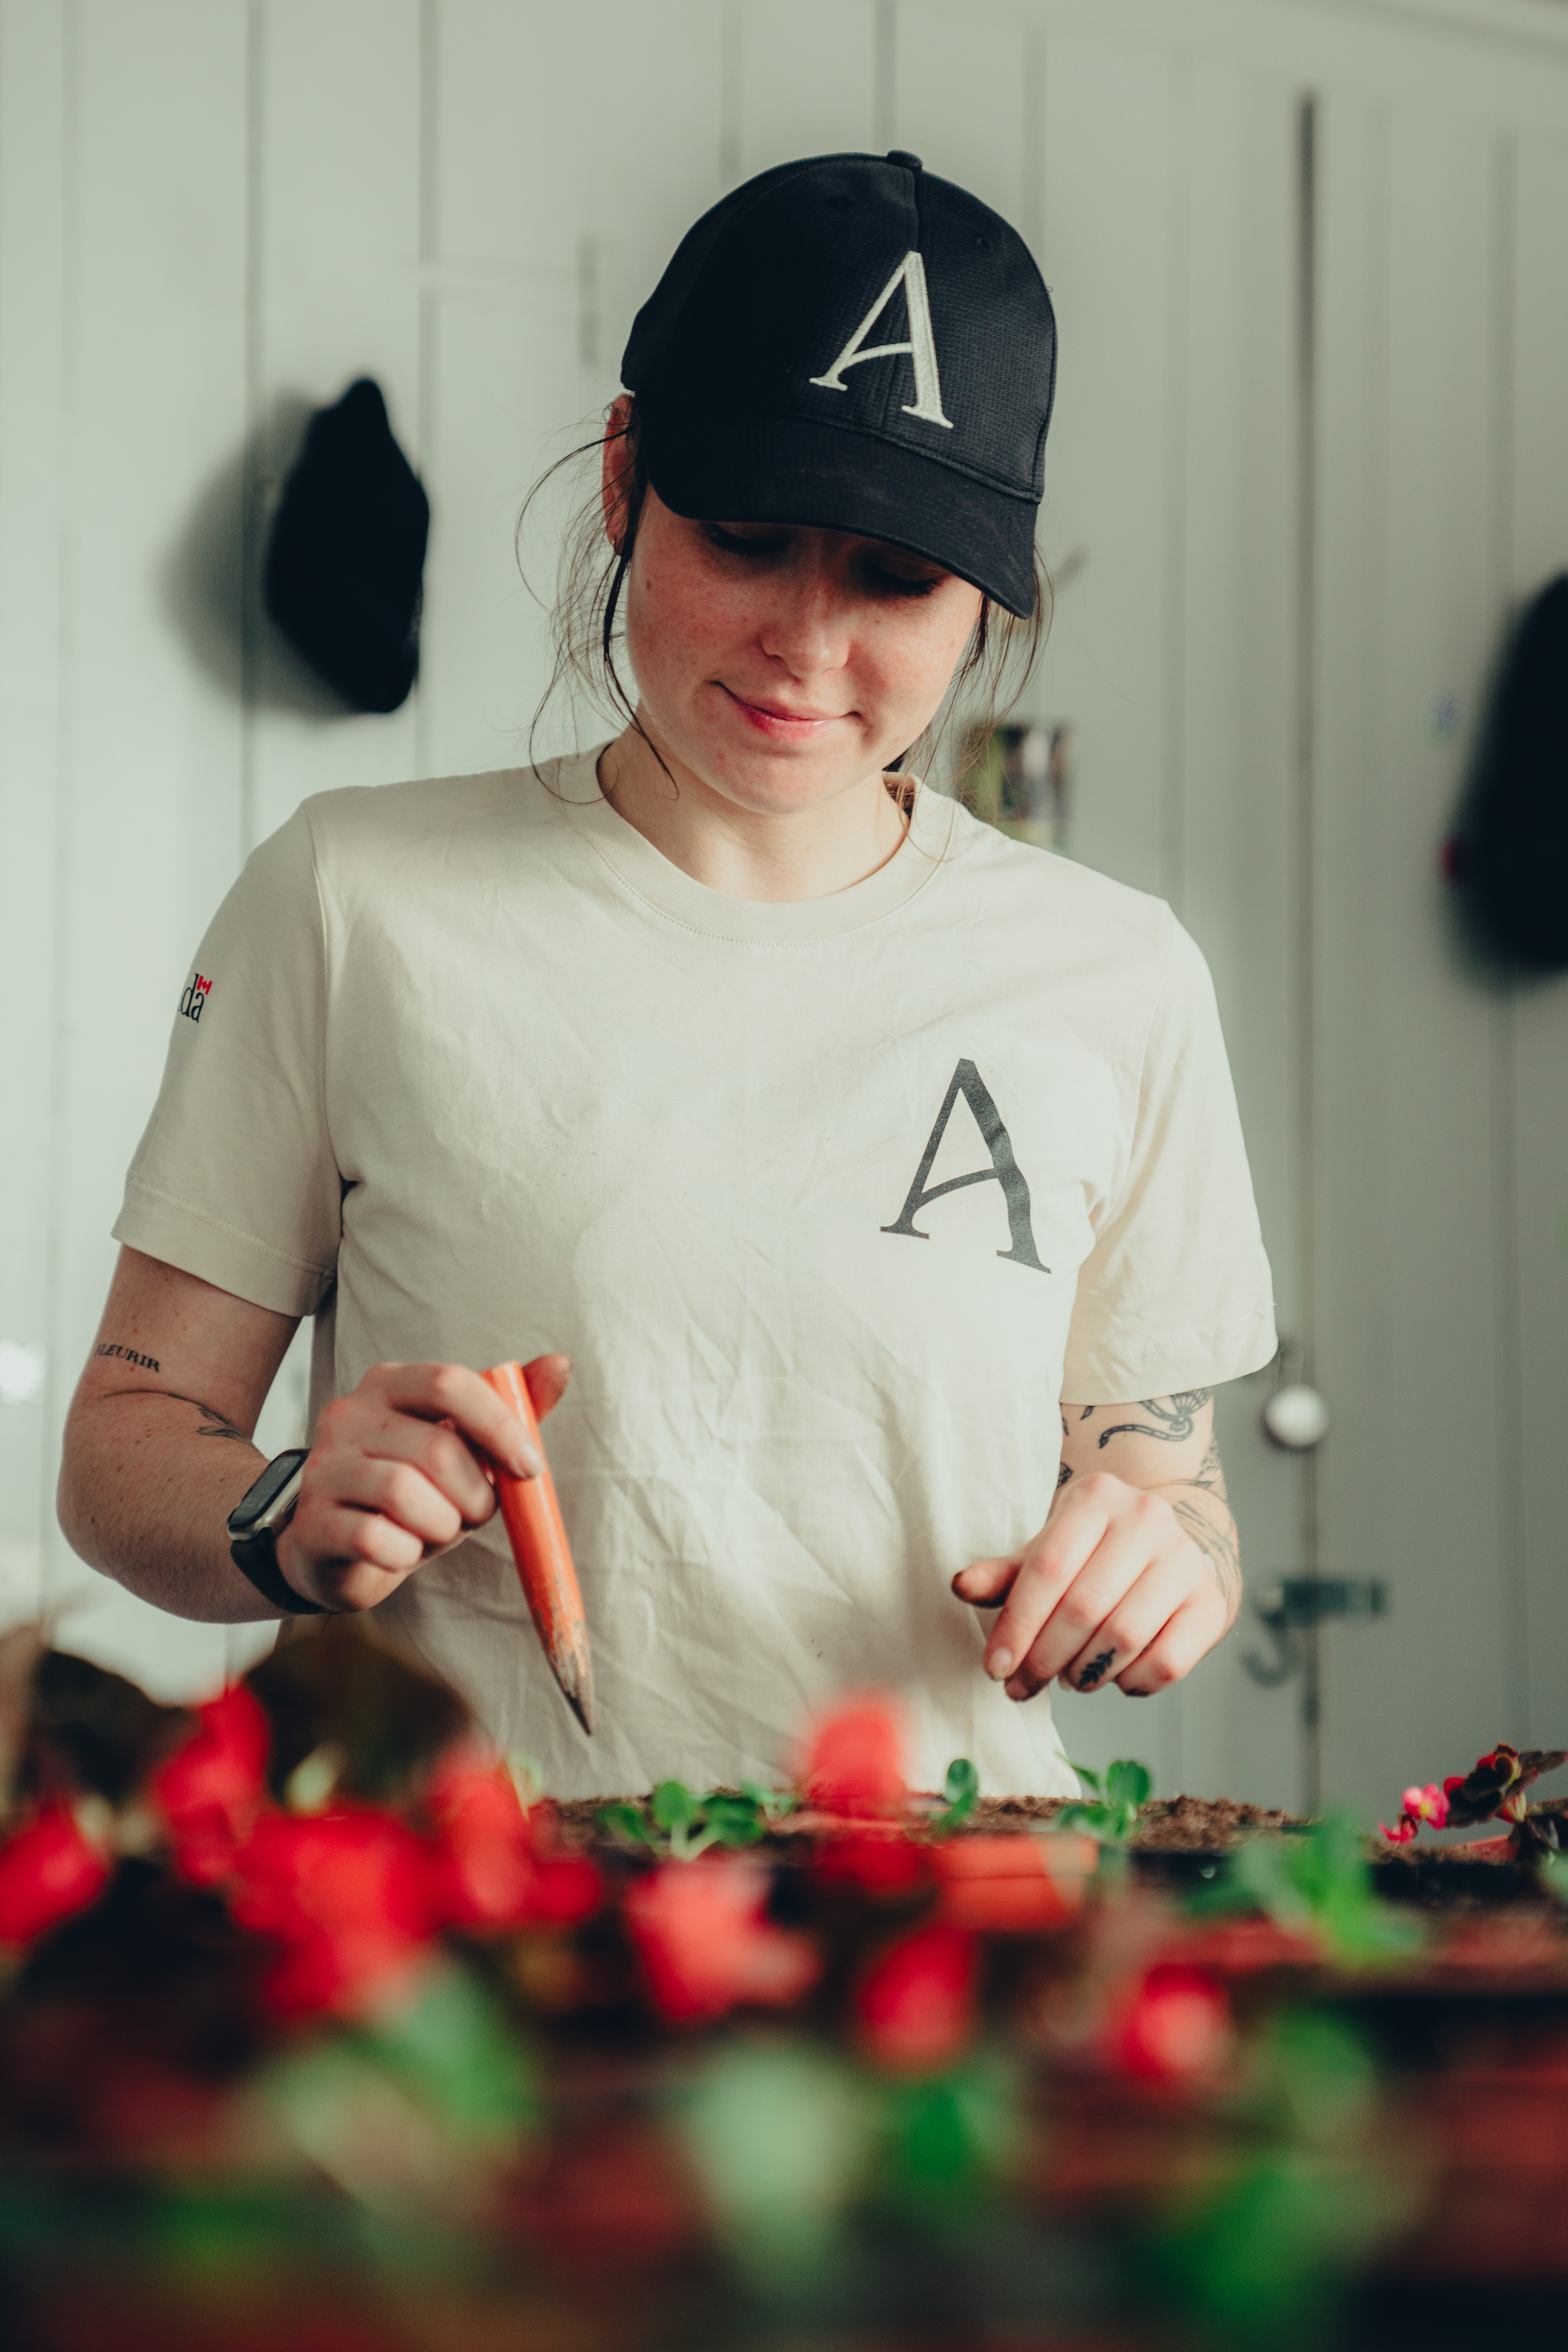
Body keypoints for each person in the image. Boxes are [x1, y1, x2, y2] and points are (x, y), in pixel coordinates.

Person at [58, 151, 1275, 1799]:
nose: (810, 644)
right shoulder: (352, 894)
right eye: (751, 540)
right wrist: (282, 1511)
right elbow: (127, 1441)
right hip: (458, 1924)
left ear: (989, 588)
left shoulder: (1115, 972)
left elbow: (1168, 1479)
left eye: (900, 578)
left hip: (946, 1930)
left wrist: (1164, 1558)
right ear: (628, 473)